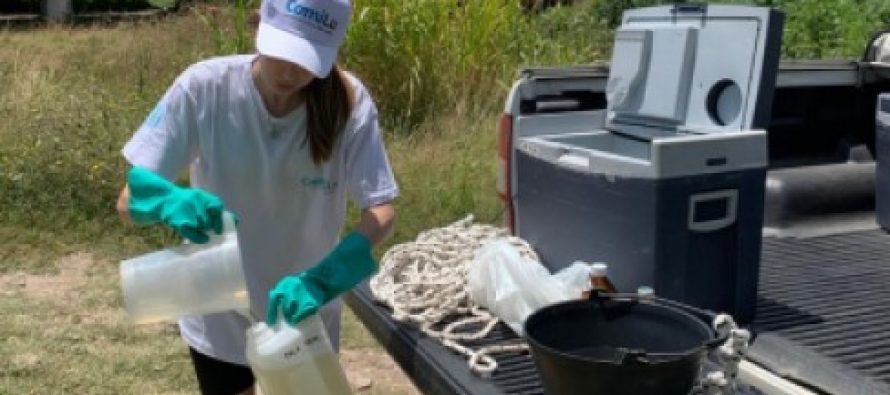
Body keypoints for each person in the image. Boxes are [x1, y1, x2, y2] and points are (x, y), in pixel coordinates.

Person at [115, 0, 398, 393]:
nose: (289, 71)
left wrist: (324, 279)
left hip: (305, 311)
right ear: (259, 25)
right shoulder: (204, 88)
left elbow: (381, 210)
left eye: (307, 60)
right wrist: (169, 202)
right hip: (219, 307)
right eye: (281, 51)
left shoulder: (349, 103)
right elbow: (128, 202)